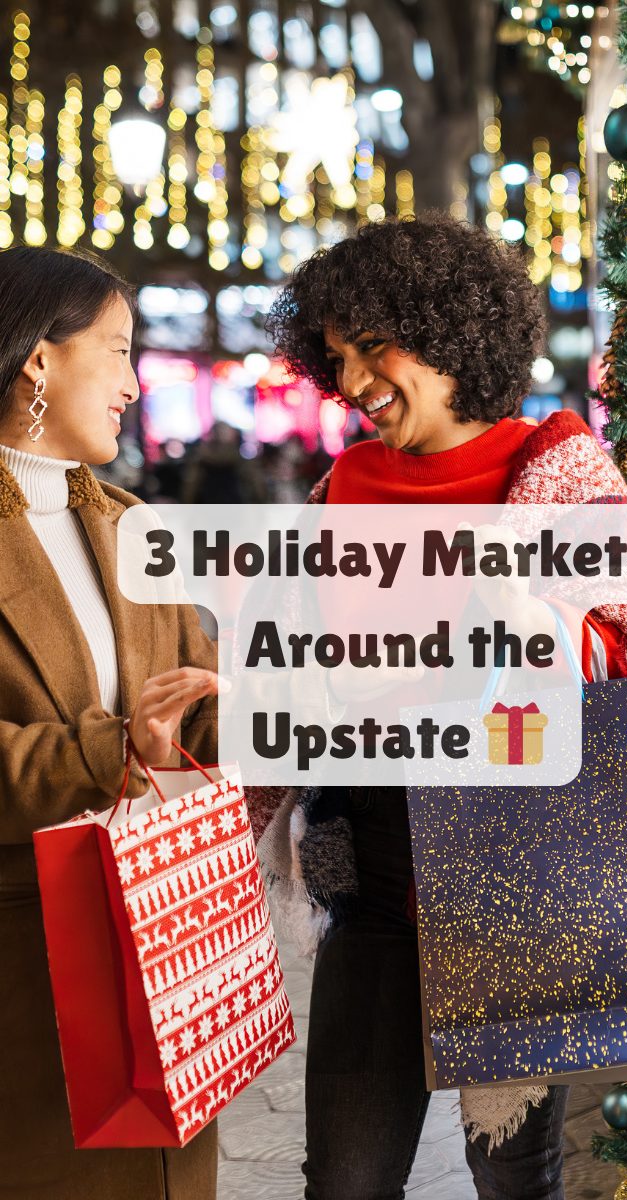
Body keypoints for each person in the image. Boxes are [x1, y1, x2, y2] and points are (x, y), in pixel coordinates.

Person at [257, 214, 627, 1200]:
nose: (353, 381)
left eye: (372, 347)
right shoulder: (341, 488)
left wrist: (520, 615)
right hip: (370, 872)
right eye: (335, 358)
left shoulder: (559, 465)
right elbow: (294, 672)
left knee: (511, 1182)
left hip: (514, 870)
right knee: (344, 1182)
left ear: (446, 332)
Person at [0, 246, 223, 1200]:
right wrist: (112, 746)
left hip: (167, 940)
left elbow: (190, 722)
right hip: (28, 964)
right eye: (120, 350)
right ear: (37, 360)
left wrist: (277, 689)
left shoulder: (140, 527)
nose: (137, 384)